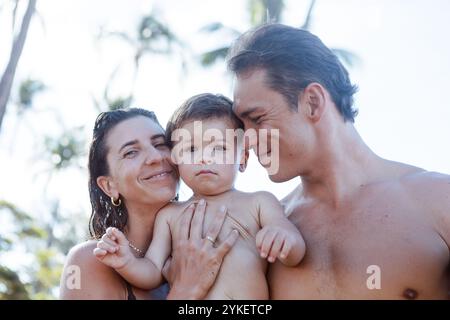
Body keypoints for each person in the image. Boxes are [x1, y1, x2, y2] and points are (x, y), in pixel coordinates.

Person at [225, 23, 450, 299]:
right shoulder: (268, 232)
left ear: (313, 103)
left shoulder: (440, 200)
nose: (245, 139)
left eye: (257, 120)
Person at [94, 94, 306, 299]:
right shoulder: (169, 216)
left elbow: (295, 249)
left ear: (242, 157)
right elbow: (152, 272)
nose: (204, 158)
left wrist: (283, 239)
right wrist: (126, 262)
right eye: (191, 149)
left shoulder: (260, 202)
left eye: (219, 148)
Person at [59, 108, 238, 300]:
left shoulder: (208, 244)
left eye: (160, 144)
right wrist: (186, 290)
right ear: (109, 185)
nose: (155, 157)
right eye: (131, 152)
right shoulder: (89, 261)